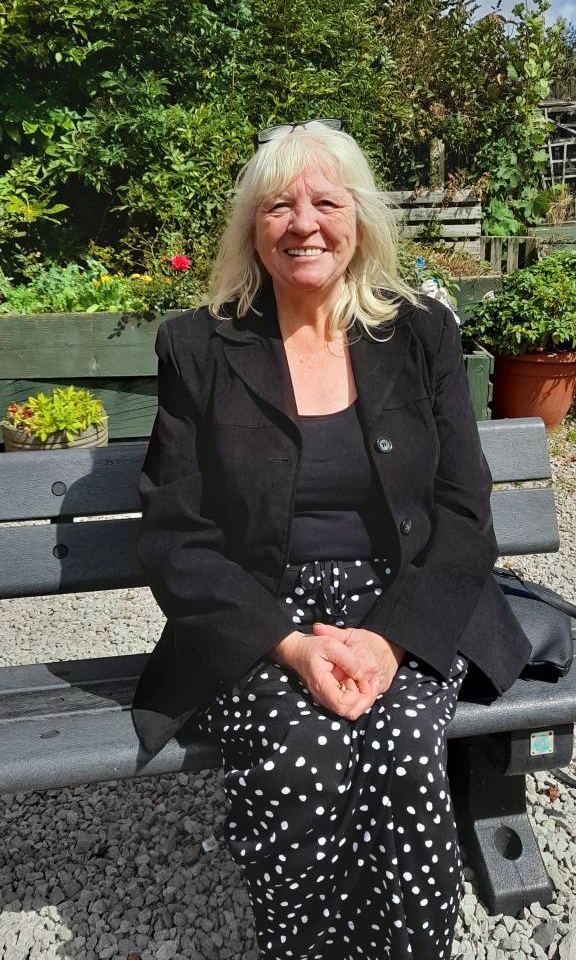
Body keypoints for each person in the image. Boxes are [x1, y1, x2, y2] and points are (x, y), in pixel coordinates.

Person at [132, 120, 532, 960]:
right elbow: (178, 535)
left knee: (399, 748)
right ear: (252, 228)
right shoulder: (197, 345)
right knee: (302, 753)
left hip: (404, 598)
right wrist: (290, 646)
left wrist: (389, 641)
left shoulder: (419, 330)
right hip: (263, 613)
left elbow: (465, 510)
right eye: (278, 205)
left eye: (324, 201)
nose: (302, 223)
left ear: (359, 219)